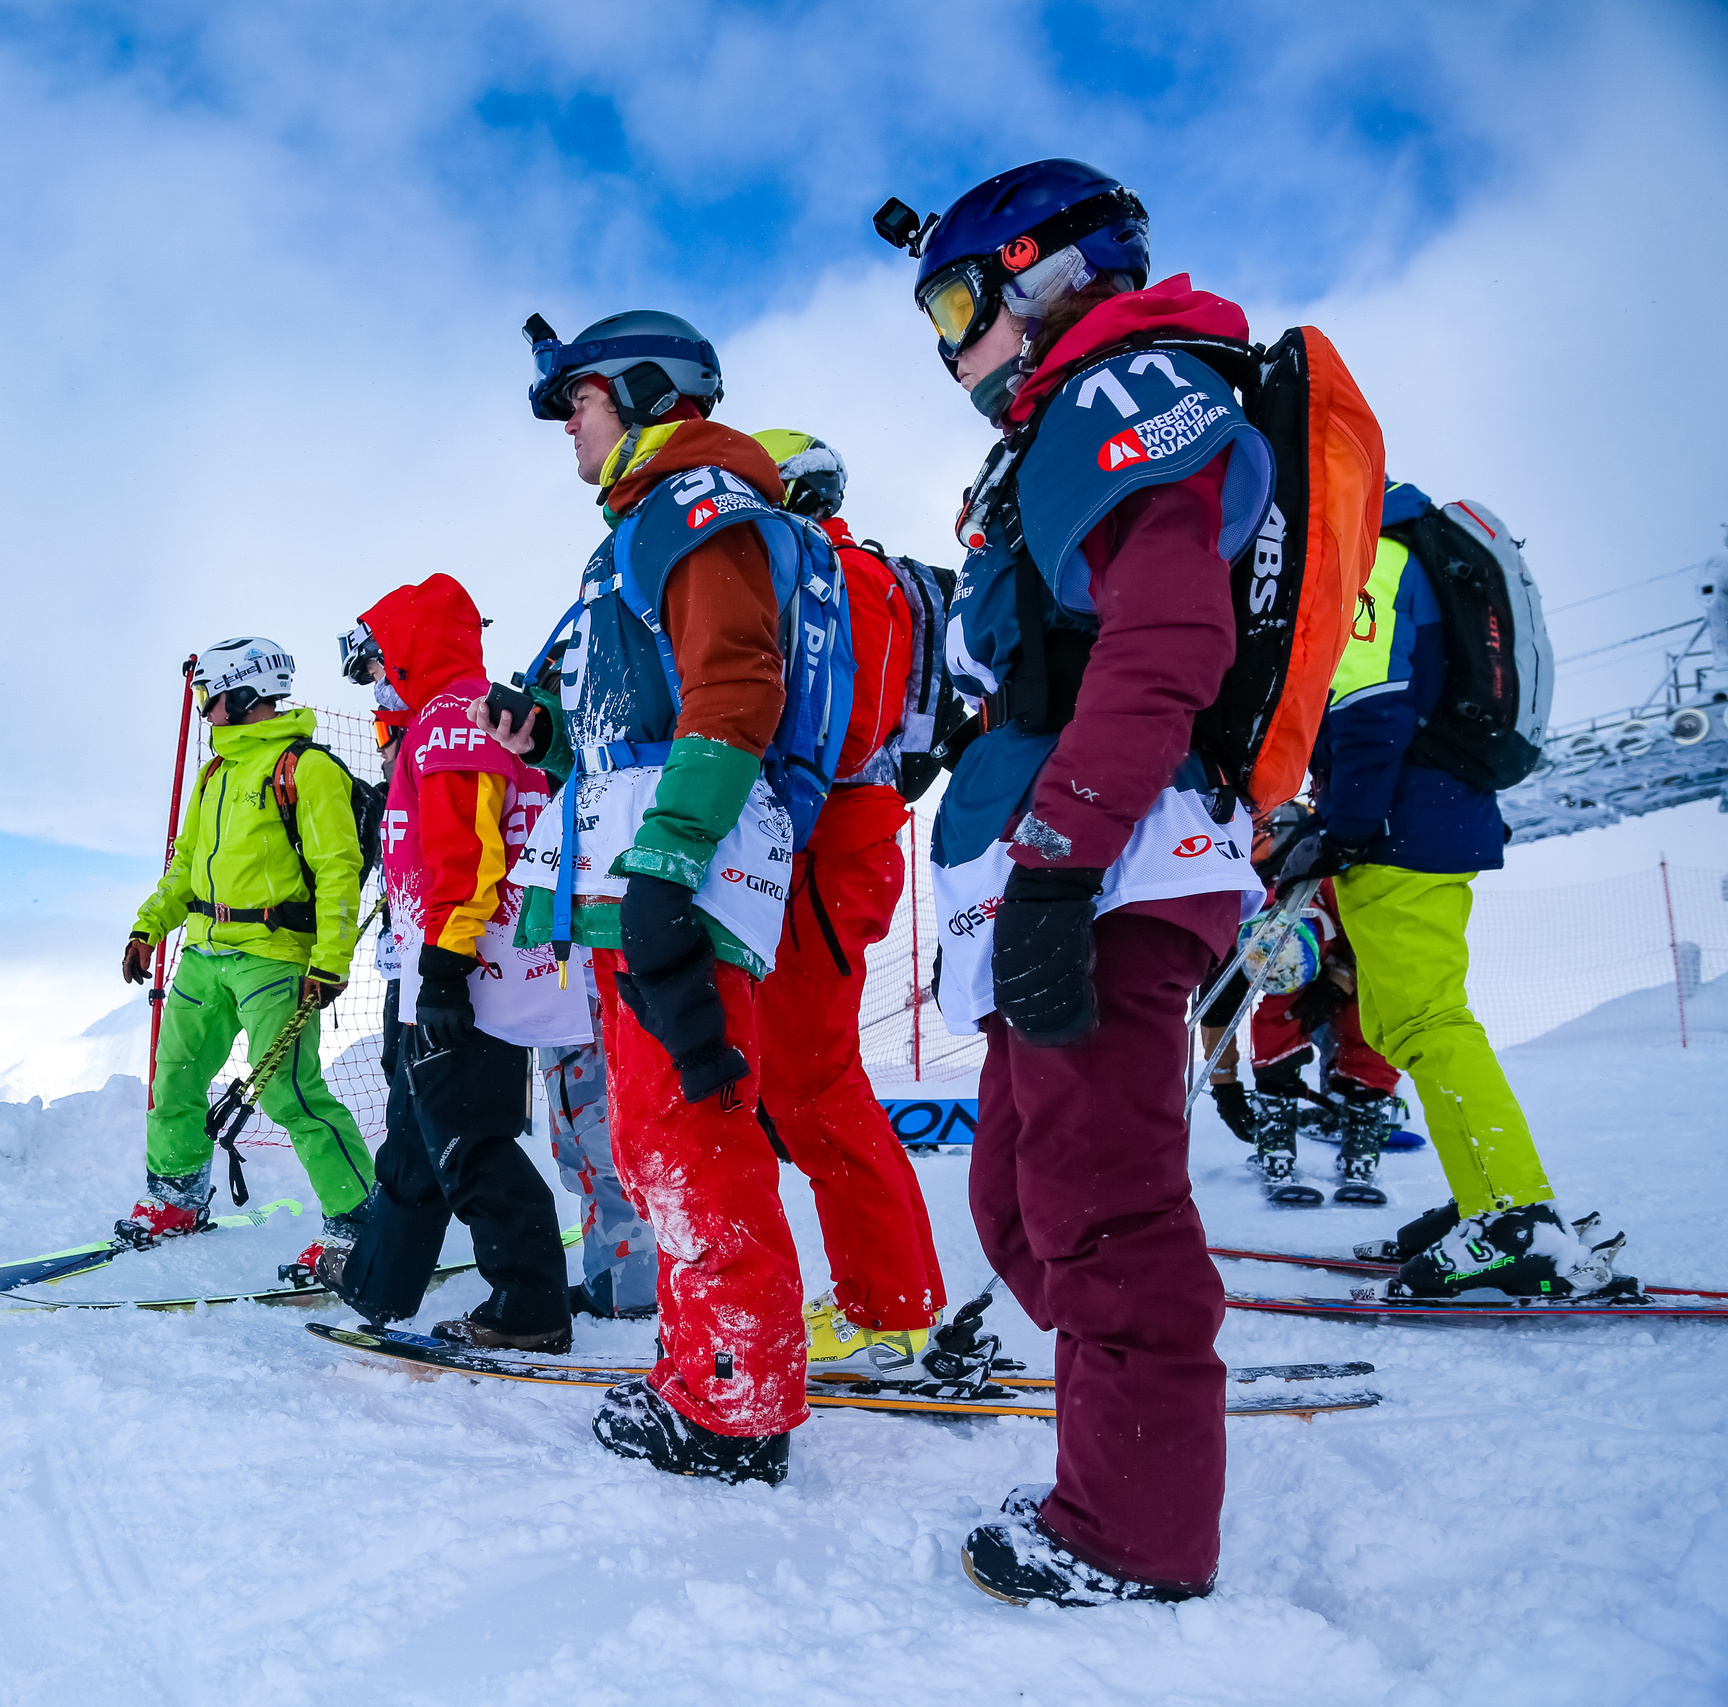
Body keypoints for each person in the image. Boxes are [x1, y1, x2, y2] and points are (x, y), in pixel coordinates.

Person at [877, 159, 1274, 1605]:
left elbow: (1165, 641)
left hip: (1107, 861)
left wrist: (1056, 865)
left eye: (960, 300)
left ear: (1046, 273)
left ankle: (1137, 1525)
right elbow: (1044, 657)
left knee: (1103, 1205)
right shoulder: (1063, 421)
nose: (948, 343)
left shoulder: (1125, 393)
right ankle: (1130, 1385)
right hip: (1060, 861)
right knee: (1022, 1202)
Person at [486, 309, 811, 1485]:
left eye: (576, 398)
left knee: (694, 1133)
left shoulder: (696, 507)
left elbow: (735, 682)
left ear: (637, 389)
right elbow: (651, 708)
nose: (566, 422)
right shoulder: (644, 523)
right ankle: (701, 1366)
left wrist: (670, 859)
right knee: (653, 1135)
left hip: (687, 863)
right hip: (646, 859)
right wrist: (550, 732)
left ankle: (740, 1403)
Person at [1279, 479, 1626, 1294]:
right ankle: (1488, 1196)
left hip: (1402, 822)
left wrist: (1343, 826)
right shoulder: (1406, 550)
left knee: (1429, 1019)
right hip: (1426, 814)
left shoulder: (1377, 559)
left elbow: (1372, 705)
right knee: (1408, 1019)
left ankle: (1515, 1216)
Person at [319, 577, 589, 1349]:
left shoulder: (451, 722)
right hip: (448, 963)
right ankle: (381, 1284)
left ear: (409, 652)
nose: (374, 685)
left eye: (378, 665)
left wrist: (440, 971)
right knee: (416, 1131)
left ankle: (531, 1305)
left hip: (465, 972)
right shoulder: (461, 719)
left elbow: (466, 856)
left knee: (466, 1140)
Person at [748, 430, 950, 1367]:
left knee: (811, 1083)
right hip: (827, 851)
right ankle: (891, 1293)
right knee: (807, 1083)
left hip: (830, 851)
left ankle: (890, 1306)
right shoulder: (828, 574)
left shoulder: (839, 577)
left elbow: (848, 721)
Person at [121, 637, 374, 1280]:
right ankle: (176, 1198)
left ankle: (359, 1224)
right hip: (204, 952)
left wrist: (331, 959)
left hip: (275, 958)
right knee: (173, 1077)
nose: (205, 711)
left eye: (211, 698)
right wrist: (150, 927)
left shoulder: (307, 769)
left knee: (291, 1093)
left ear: (243, 695)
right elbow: (185, 866)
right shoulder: (216, 774)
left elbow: (339, 870)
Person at [1202, 876, 1401, 1208]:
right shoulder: (1234, 941)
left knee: (1368, 1021)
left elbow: (1386, 954)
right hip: (1282, 942)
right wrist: (1226, 1088)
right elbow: (1216, 1016)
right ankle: (1275, 1132)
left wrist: (1339, 983)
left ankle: (1361, 1128)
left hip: (1355, 950)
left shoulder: (1350, 895)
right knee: (1278, 1020)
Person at [540, 1011, 657, 1321]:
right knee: (584, 1159)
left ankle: (629, 1287)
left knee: (603, 1160)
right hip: (571, 1013)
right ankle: (618, 1280)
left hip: (586, 1011)